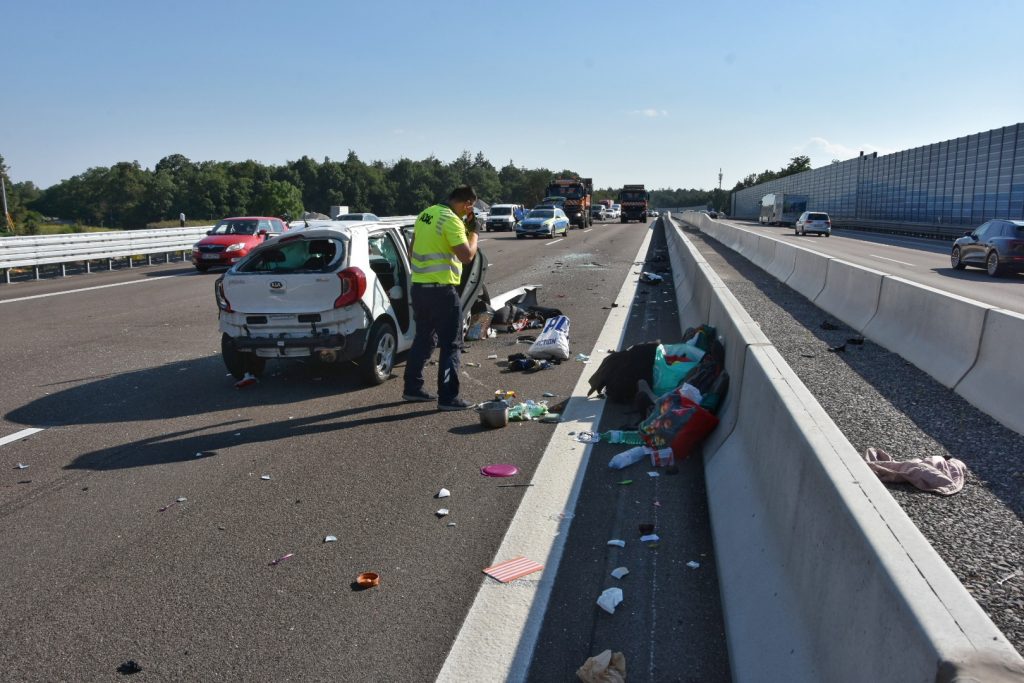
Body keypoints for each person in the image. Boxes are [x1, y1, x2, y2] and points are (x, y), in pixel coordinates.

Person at [402, 185, 480, 411]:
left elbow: (411, 250)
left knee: (424, 338)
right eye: (470, 208)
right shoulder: (451, 220)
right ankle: (448, 397)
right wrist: (473, 234)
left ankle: (412, 388)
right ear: (467, 204)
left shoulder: (426, 214)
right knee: (451, 344)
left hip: (419, 288)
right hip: (442, 291)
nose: (469, 212)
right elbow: (466, 256)